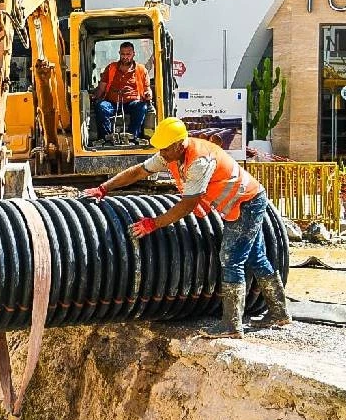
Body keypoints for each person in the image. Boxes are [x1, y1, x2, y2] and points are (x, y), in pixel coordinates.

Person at [82, 117, 291, 338]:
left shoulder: (198, 161)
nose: (161, 153)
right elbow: (139, 171)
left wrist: (153, 223)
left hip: (247, 202)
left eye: (165, 149)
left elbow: (187, 205)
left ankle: (231, 324)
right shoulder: (170, 154)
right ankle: (279, 312)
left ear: (179, 144)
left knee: (231, 258)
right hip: (239, 203)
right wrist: (104, 188)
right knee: (255, 257)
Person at [92, 41, 153, 144]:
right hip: (112, 103)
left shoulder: (141, 70)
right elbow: (101, 88)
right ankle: (106, 139)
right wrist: (94, 97)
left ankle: (132, 137)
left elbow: (147, 89)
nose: (125, 57)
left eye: (128, 54)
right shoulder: (111, 68)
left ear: (134, 54)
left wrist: (148, 95)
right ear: (119, 53)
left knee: (142, 107)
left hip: (132, 102)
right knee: (101, 106)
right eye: (123, 54)